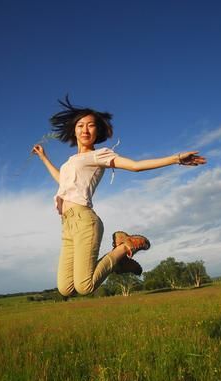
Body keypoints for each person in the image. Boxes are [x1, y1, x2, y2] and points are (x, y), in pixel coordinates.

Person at [32, 97, 206, 297]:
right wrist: (44, 158)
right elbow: (62, 183)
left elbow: (135, 166)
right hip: (67, 225)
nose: (85, 130)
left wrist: (175, 159)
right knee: (66, 288)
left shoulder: (100, 155)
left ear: (98, 131)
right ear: (74, 130)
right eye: (80, 125)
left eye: (91, 126)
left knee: (85, 287)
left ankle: (126, 246)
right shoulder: (71, 161)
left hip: (84, 221)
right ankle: (119, 261)